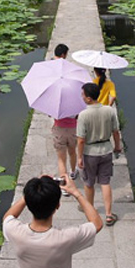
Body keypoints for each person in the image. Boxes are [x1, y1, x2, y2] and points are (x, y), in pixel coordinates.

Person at [3, 174, 103, 268]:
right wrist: (76, 193)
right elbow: (96, 223)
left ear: (29, 205)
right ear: (57, 206)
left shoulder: (16, 233)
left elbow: (8, 217)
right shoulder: (65, 238)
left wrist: (31, 195)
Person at [77, 83, 122, 226]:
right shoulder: (109, 111)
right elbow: (116, 132)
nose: (82, 97)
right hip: (106, 150)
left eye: (83, 95)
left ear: (89, 98)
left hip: (90, 152)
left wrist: (79, 157)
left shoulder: (83, 115)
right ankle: (109, 214)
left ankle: (89, 209)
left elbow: (81, 140)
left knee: (89, 183)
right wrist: (117, 147)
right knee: (105, 182)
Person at [50, 44, 78, 184]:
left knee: (61, 158)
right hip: (73, 129)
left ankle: (64, 181)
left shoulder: (55, 98)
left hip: (59, 128)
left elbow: (51, 112)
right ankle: (73, 172)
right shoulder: (75, 97)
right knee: (72, 152)